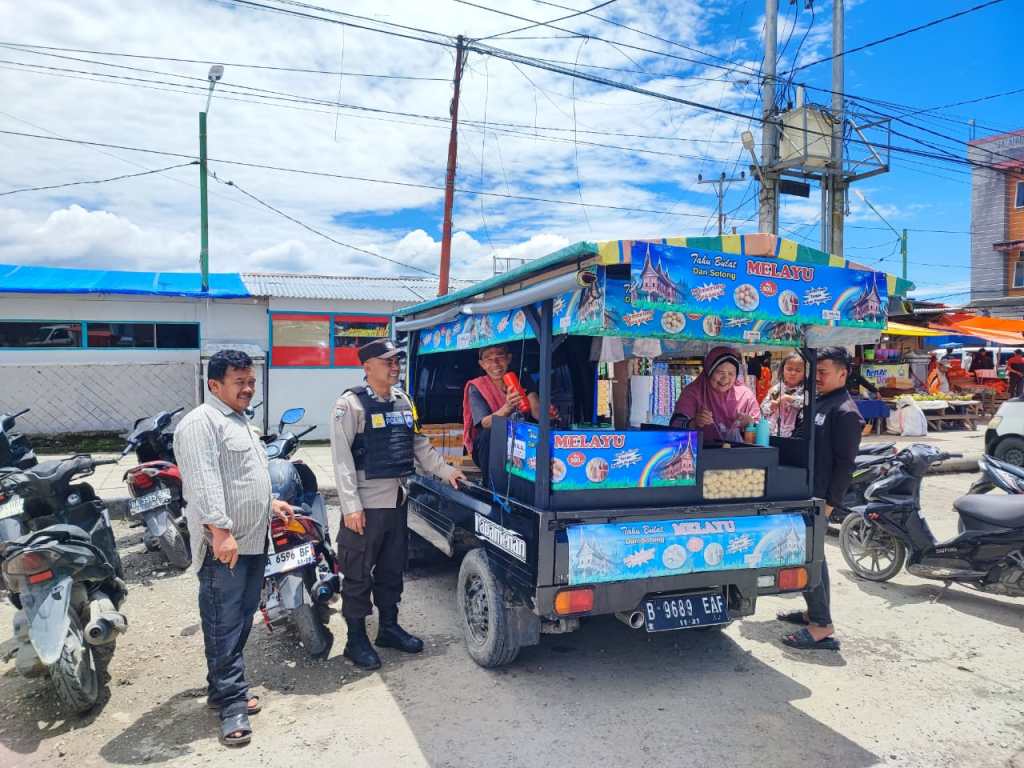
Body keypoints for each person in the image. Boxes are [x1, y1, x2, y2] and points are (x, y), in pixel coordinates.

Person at [175, 349, 294, 747]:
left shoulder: (240, 421)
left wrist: (270, 503)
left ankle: (222, 688)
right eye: (239, 382)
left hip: (252, 538)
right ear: (214, 385)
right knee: (223, 623)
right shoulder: (201, 423)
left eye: (251, 381)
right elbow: (204, 481)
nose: (248, 388)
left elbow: (243, 476)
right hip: (224, 546)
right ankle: (231, 705)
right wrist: (219, 531)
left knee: (242, 618)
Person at [331, 338, 466, 670]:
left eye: (397, 362)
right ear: (367, 367)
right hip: (365, 506)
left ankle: (388, 628)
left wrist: (446, 470)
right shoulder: (350, 406)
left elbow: (418, 443)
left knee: (392, 571)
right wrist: (350, 507)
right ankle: (356, 638)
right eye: (387, 362)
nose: (395, 367)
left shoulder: (404, 402)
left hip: (396, 502)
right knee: (358, 574)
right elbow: (341, 460)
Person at [777, 346, 863, 652]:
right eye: (816, 372)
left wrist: (830, 503)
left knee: (811, 557)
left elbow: (846, 465)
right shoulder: (821, 402)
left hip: (819, 498)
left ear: (843, 373)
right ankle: (813, 612)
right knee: (810, 556)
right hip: (803, 491)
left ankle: (822, 626)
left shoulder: (846, 412)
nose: (818, 378)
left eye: (824, 373)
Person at [462, 344, 546, 481]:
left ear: (508, 358)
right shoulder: (477, 386)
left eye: (500, 357)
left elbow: (535, 408)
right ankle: (489, 484)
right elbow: (485, 423)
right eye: (488, 359)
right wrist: (507, 408)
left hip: (521, 440)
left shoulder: (520, 378)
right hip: (492, 448)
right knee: (487, 434)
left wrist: (547, 414)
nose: (495, 363)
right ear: (482, 364)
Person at [671, 346, 761, 442]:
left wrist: (750, 423)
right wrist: (693, 423)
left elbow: (761, 432)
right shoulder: (693, 392)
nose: (725, 379)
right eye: (720, 372)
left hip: (737, 454)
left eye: (731, 374)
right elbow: (674, 425)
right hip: (701, 453)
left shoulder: (745, 395)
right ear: (709, 370)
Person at [760, 352, 806, 438]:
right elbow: (762, 410)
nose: (793, 373)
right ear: (782, 370)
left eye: (798, 370)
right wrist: (771, 406)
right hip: (772, 434)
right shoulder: (775, 389)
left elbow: (807, 405)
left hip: (796, 436)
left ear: (804, 373)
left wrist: (789, 399)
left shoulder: (806, 391)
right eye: (789, 369)